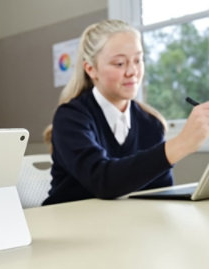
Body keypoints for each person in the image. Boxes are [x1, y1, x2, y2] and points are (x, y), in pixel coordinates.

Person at [42, 19, 209, 205]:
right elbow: (103, 181)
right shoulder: (70, 117)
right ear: (91, 69)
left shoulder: (151, 123)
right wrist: (182, 143)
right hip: (67, 224)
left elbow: (160, 194)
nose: (132, 71)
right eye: (119, 63)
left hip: (122, 225)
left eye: (138, 60)